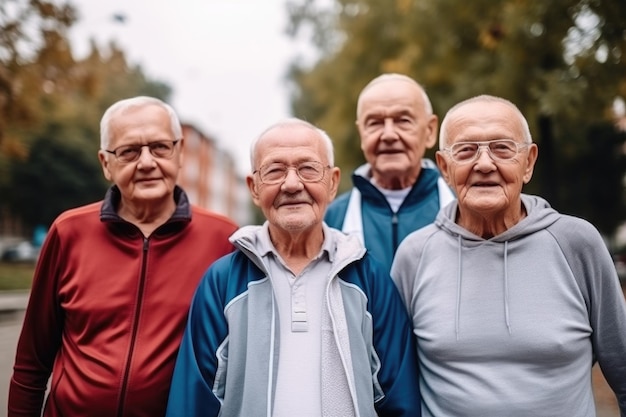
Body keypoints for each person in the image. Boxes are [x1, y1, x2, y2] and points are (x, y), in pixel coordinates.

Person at [165, 118, 420, 417]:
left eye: (308, 168)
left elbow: (398, 398)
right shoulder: (222, 281)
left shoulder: (369, 277)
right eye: (274, 171)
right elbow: (192, 401)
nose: (292, 184)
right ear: (254, 187)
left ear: (333, 182)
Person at [391, 94, 626, 416]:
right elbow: (394, 383)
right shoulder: (414, 255)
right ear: (445, 167)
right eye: (466, 150)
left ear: (528, 162)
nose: (485, 164)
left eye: (502, 148)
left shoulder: (577, 244)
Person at [8, 96, 239, 417]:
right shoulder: (68, 232)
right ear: (105, 163)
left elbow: (239, 364)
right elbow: (31, 363)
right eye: (129, 151)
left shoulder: (223, 240)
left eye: (160, 147)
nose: (146, 162)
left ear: (179, 152)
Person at [325, 73, 455, 274]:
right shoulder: (331, 221)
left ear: (430, 131)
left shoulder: (463, 209)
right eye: (375, 123)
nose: (388, 135)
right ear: (361, 133)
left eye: (403, 120)